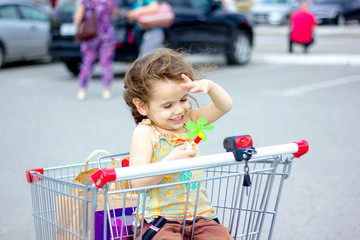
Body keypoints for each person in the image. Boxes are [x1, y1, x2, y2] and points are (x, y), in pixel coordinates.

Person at [123, 48, 233, 240]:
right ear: (142, 106)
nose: (179, 110)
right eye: (167, 105)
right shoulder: (146, 132)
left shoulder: (189, 121)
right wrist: (170, 161)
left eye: (183, 99)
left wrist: (211, 86)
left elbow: (224, 106)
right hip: (159, 220)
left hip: (200, 216)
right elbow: (138, 182)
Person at [73, 0, 117, 100]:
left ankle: (82, 90)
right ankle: (106, 90)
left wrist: (79, 27)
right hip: (107, 35)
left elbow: (78, 17)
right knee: (106, 63)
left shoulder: (87, 1)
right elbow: (114, 13)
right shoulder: (110, 1)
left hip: (90, 35)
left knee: (87, 63)